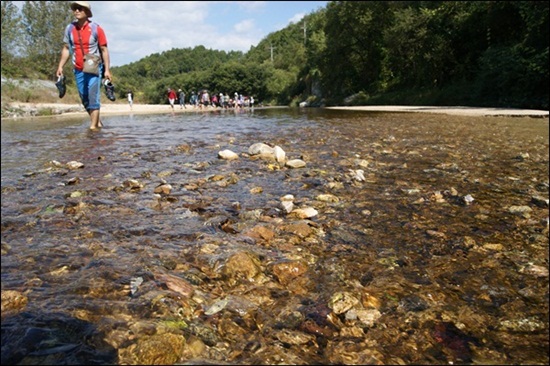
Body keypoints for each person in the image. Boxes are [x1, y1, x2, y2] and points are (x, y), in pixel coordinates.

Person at [56, 1, 112, 130]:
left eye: (80, 8)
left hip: (94, 68)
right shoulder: (69, 28)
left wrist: (107, 70)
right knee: (84, 97)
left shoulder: (96, 29)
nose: (76, 11)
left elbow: (104, 50)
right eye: (75, 8)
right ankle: (97, 122)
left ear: (87, 12)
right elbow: (66, 48)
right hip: (78, 69)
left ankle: (92, 128)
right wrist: (60, 66)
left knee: (93, 96)